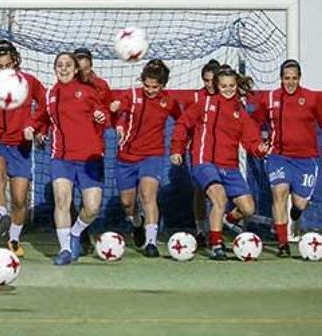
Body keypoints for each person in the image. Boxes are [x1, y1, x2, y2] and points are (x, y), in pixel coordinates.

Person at [170, 65, 269, 260]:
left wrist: (259, 149)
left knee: (248, 208)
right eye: (224, 85)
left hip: (229, 166)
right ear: (217, 85)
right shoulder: (204, 104)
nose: (228, 89)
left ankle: (226, 220)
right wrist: (176, 149)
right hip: (204, 162)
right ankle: (216, 244)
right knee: (219, 198)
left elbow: (251, 140)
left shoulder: (240, 112)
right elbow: (183, 124)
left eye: (231, 85)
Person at [33, 52, 109, 266]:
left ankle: (76, 233)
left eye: (68, 65)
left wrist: (102, 116)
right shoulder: (50, 94)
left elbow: (103, 114)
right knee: (61, 200)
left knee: (92, 207)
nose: (63, 68)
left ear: (76, 69)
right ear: (55, 68)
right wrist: (33, 127)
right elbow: (40, 117)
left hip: (89, 158)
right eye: (59, 65)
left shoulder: (88, 92)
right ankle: (65, 248)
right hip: (61, 158)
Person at [251, 59, 322, 256]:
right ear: (281, 79)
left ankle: (296, 211)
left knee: (300, 203)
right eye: (287, 78)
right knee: (279, 192)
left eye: (294, 78)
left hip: (306, 160)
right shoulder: (270, 99)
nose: (291, 82)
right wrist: (260, 140)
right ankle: (283, 244)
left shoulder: (312, 98)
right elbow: (254, 122)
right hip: (279, 156)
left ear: (299, 78)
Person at [0, 39, 46, 257]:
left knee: (19, 198)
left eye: (8, 65)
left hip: (21, 144)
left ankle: (13, 238)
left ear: (15, 61)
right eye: (0, 66)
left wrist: (35, 127)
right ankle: (0, 216)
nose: (4, 70)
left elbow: (46, 106)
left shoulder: (30, 82)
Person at [109, 59, 181, 257]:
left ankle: (151, 243)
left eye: (155, 87)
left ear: (163, 85)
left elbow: (182, 122)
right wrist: (118, 121)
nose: (150, 90)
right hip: (126, 156)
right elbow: (116, 110)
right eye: (147, 86)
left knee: (148, 195)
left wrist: (179, 146)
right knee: (127, 203)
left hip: (153, 154)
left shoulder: (169, 102)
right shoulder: (132, 95)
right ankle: (137, 222)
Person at [181, 59, 221, 247]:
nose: (209, 84)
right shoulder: (196, 98)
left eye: (212, 80)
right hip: (199, 152)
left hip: (223, 153)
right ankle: (200, 229)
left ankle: (222, 226)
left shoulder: (230, 97)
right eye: (206, 80)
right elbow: (184, 125)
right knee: (200, 190)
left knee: (221, 192)